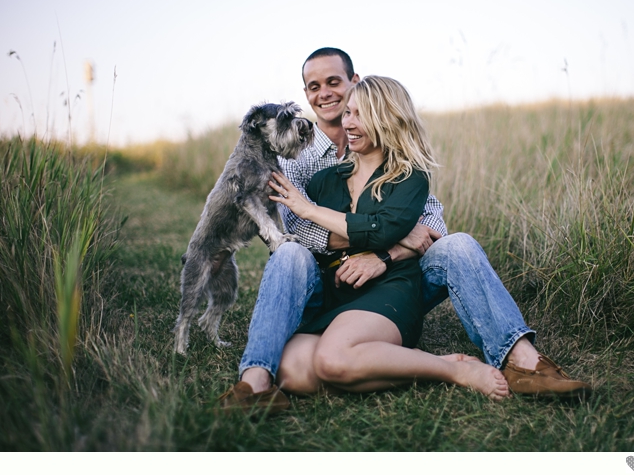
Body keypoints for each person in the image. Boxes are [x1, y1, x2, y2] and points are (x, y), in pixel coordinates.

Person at [219, 48, 591, 414]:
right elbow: (295, 235)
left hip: (390, 280)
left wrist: (384, 253)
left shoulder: (405, 171)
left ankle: (521, 359)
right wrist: (383, 236)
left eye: (335, 84)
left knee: (457, 246)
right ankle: (259, 382)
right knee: (298, 368)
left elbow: (432, 226)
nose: (327, 96)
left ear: (356, 85)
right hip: (327, 283)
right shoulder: (297, 159)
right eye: (314, 87)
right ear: (305, 95)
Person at [264, 75, 509, 398]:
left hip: (389, 289)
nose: (348, 123)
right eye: (348, 112)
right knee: (294, 373)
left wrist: (309, 210)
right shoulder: (325, 180)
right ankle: (370, 362)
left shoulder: (410, 178)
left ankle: (453, 367)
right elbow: (299, 233)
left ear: (386, 119)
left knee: (332, 360)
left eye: (360, 114)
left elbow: (383, 228)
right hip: (336, 291)